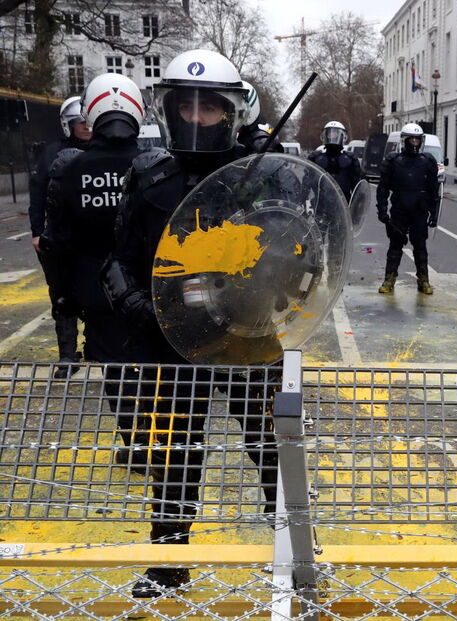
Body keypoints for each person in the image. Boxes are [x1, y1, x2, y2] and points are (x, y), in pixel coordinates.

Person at [101, 49, 278, 597]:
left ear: (231, 112)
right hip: (168, 334)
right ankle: (170, 553)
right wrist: (131, 302)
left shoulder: (257, 176)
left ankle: (293, 532)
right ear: (169, 108)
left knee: (268, 439)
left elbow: (297, 252)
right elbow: (117, 258)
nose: (196, 116)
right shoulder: (147, 173)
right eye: (186, 104)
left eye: (209, 107)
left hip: (243, 333)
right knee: (175, 446)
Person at [41, 73, 144, 365]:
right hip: (146, 300)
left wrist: (64, 299)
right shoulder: (157, 166)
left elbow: (56, 245)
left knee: (117, 384)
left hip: (94, 296)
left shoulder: (69, 170)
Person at [28, 96, 90, 374]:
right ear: (69, 124)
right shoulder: (52, 154)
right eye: (80, 122)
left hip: (94, 236)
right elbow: (37, 193)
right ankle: (67, 354)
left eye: (89, 121)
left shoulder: (104, 153)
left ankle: (97, 348)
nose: (86, 127)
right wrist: (37, 232)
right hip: (59, 237)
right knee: (62, 297)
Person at [375, 122, 440, 295]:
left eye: (417, 140)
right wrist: (382, 209)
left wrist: (434, 213)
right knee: (395, 246)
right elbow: (383, 187)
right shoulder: (393, 161)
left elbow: (434, 190)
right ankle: (389, 279)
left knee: (420, 247)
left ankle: (423, 280)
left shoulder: (427, 161)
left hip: (420, 209)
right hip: (399, 209)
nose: (414, 143)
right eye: (411, 140)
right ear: (404, 140)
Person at [309, 120, 362, 201]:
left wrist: (356, 207)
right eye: (330, 134)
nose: (332, 137)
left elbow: (357, 188)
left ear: (343, 136)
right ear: (325, 135)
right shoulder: (316, 159)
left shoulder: (350, 160)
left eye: (335, 134)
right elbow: (306, 185)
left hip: (344, 204)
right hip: (320, 205)